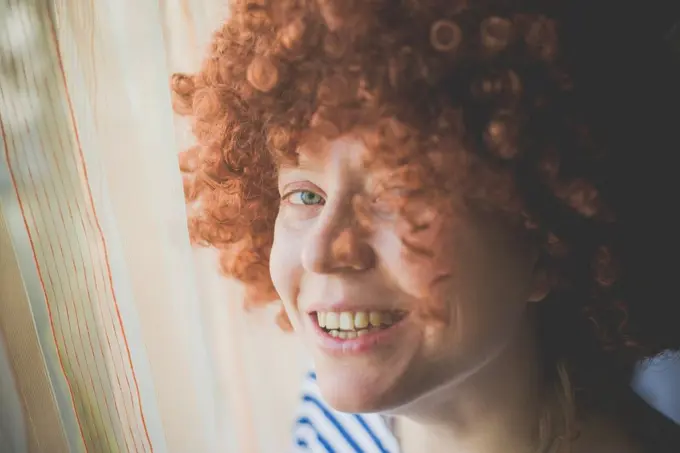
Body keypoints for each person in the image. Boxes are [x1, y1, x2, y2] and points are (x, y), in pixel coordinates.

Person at [171, 0, 680, 451]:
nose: (322, 251)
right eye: (306, 194)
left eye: (403, 193)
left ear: (547, 237)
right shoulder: (329, 420)